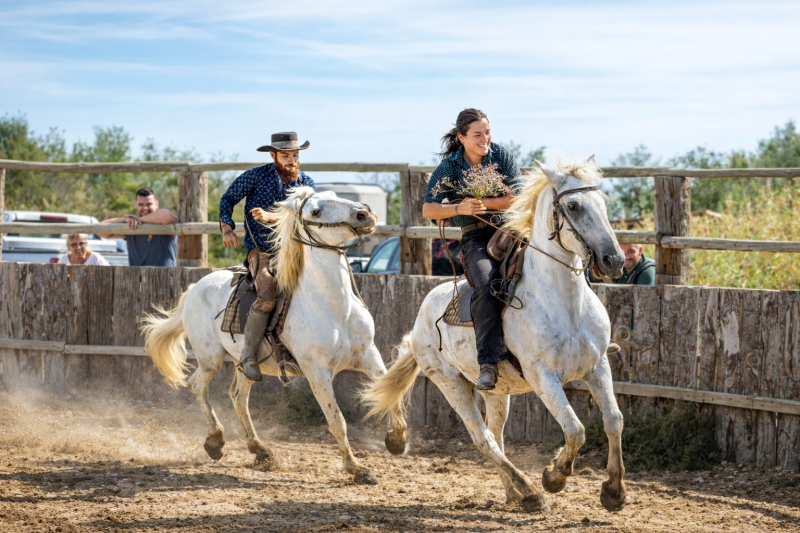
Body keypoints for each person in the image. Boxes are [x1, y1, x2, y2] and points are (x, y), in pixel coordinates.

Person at [422, 108, 522, 390]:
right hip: (476, 239)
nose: (485, 138)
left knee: (562, 252)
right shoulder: (449, 167)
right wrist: (459, 208)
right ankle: (488, 362)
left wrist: (485, 204)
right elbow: (428, 208)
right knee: (487, 283)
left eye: (487, 132)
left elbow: (518, 198)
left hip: (511, 230)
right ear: (462, 137)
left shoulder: (500, 155)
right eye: (478, 134)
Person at [218, 131, 315, 382]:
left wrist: (273, 216)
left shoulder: (306, 183)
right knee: (268, 292)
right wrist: (227, 228)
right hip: (261, 250)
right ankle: (249, 356)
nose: (292, 161)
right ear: (273, 156)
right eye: (286, 156)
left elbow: (305, 216)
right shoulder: (255, 176)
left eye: (295, 155)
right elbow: (227, 199)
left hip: (294, 250)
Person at [99, 188, 178, 267]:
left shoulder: (165, 224)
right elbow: (99, 230)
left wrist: (138, 220)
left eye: (149, 204)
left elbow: (167, 216)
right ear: (135, 205)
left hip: (163, 278)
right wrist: (124, 219)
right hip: (136, 278)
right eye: (141, 205)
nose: (145, 208)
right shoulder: (131, 226)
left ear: (156, 204)